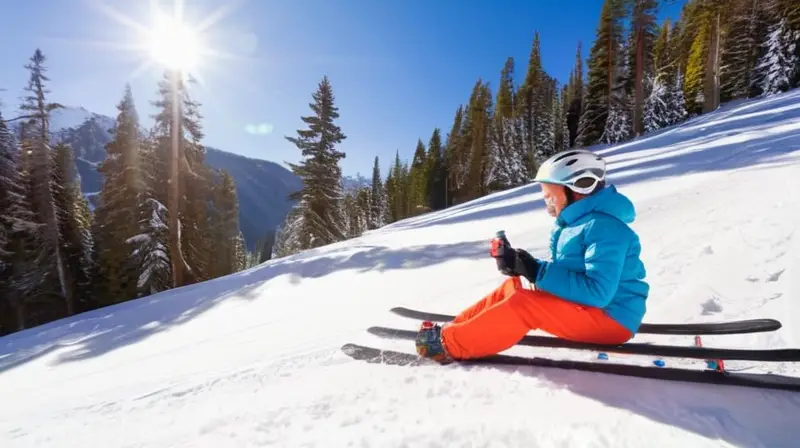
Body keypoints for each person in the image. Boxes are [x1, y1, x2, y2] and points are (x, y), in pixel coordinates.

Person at [415, 149, 650, 363]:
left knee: (524, 305)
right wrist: (524, 266)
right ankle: (455, 329)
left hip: (612, 319)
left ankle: (449, 345)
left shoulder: (605, 228)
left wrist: (538, 272)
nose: (547, 201)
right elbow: (572, 275)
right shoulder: (580, 224)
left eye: (551, 194)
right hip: (590, 309)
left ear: (579, 188)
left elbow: (598, 293)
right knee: (512, 287)